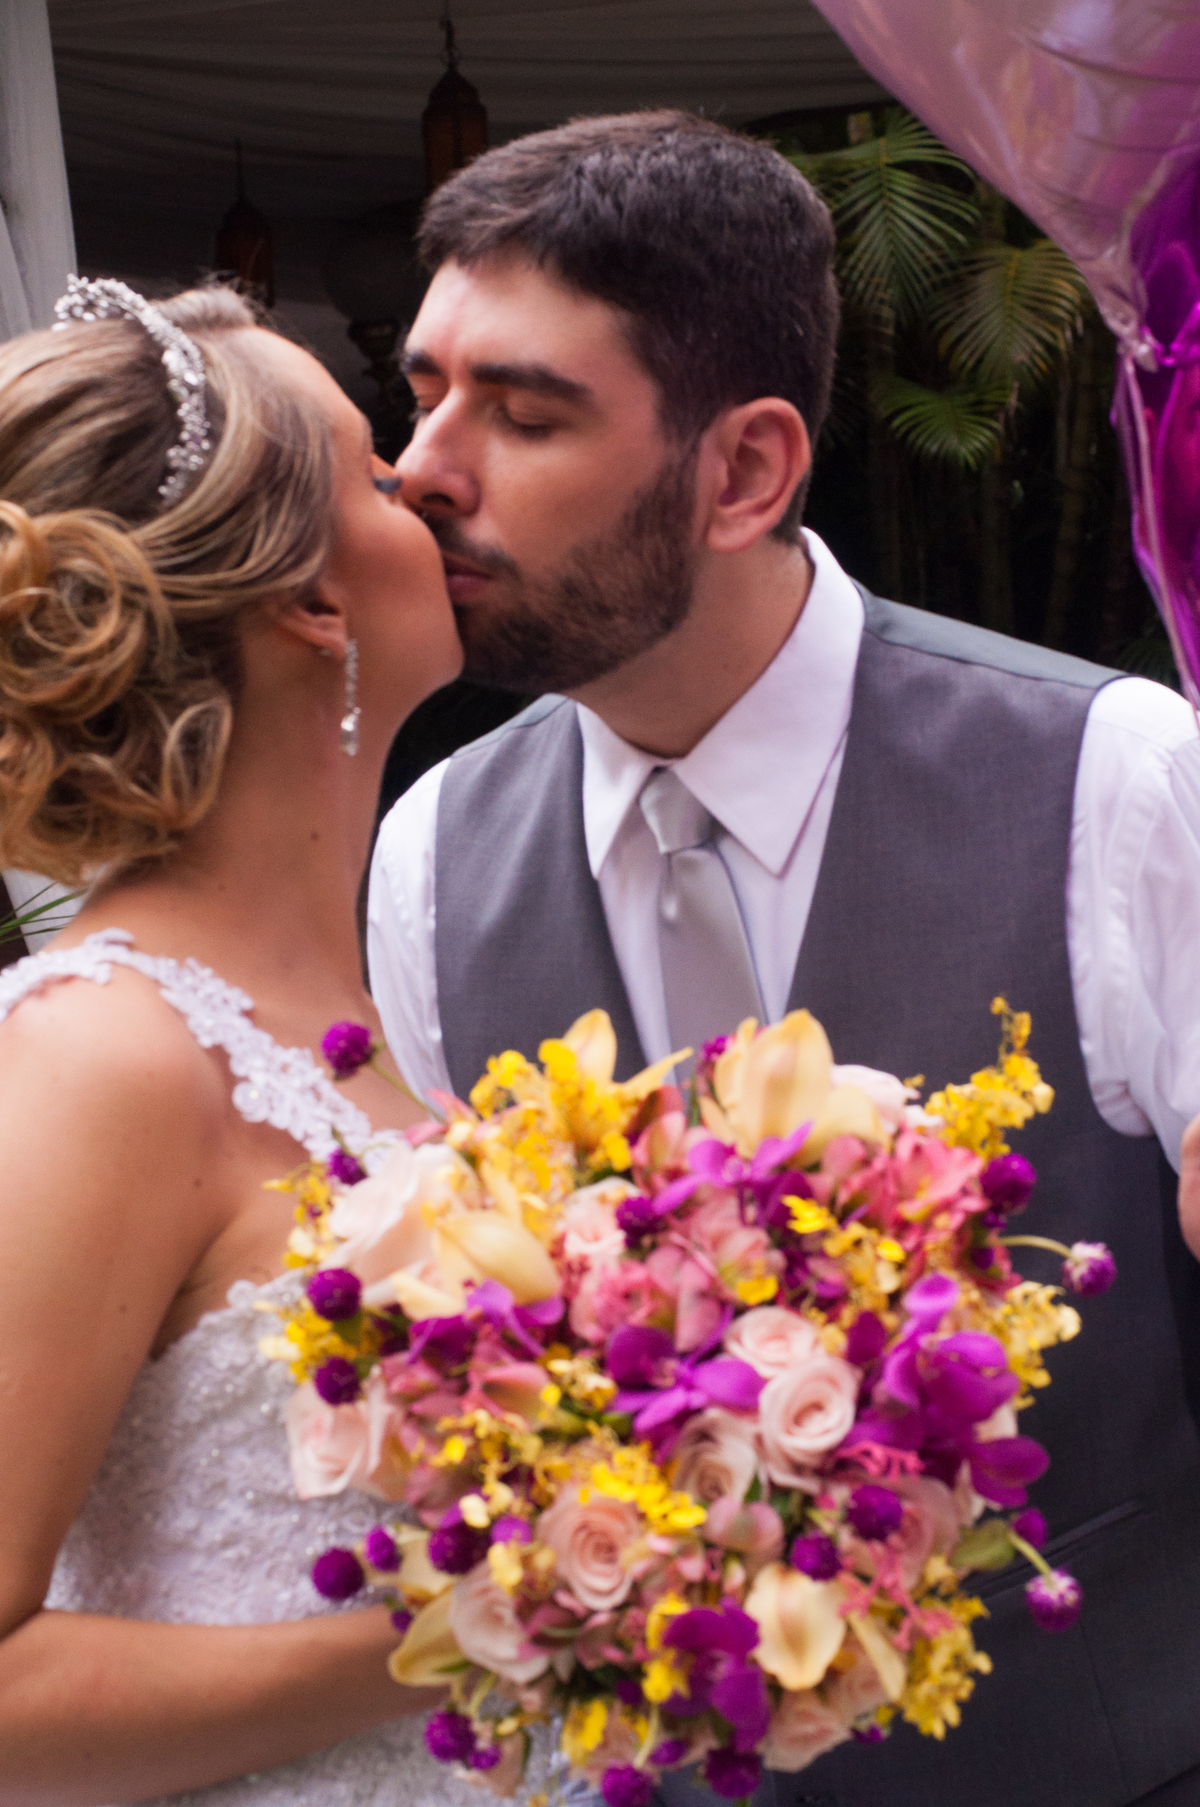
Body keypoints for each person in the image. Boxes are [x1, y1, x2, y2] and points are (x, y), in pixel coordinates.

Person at [368, 112, 1200, 1807]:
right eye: (425, 391)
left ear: (743, 471)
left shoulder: (1118, 777)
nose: (423, 470)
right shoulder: (431, 853)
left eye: (522, 413)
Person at [0, 280, 485, 1805]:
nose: (434, 485)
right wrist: (493, 1620)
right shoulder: (103, 1062)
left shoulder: (386, 1006)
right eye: (379, 474)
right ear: (313, 604)